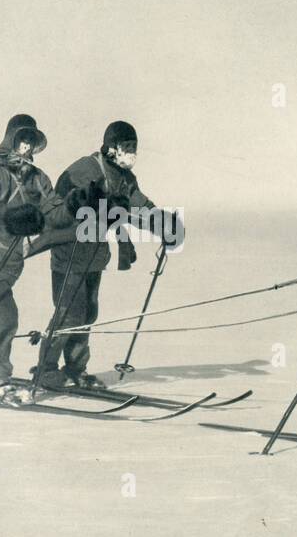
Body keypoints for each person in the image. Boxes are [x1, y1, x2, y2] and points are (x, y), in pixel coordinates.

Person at [0, 114, 86, 406]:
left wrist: (75, 203)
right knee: (2, 315)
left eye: (31, 141)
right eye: (22, 139)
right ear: (10, 138)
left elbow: (54, 214)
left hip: (8, 263)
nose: (26, 146)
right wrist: (5, 216)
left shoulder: (36, 178)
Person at [33, 120, 184, 391]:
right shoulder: (85, 168)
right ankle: (45, 370)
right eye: (127, 146)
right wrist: (101, 206)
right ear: (111, 147)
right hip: (69, 251)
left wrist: (165, 224)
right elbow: (62, 207)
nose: (132, 152)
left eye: (135, 146)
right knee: (68, 314)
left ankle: (76, 369)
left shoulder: (124, 177)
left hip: (94, 254)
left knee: (88, 313)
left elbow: (139, 205)